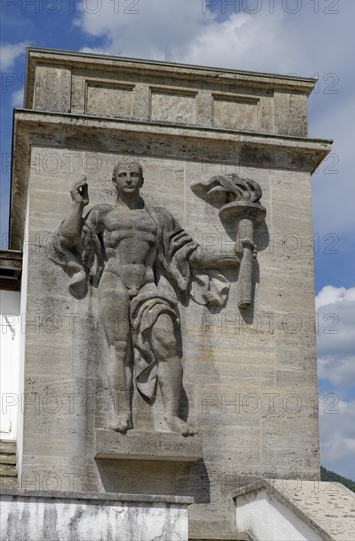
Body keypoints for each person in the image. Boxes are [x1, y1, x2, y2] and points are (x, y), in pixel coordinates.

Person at [49, 159, 239, 436]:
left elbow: (188, 253)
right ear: (114, 181)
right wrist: (78, 205)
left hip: (149, 286)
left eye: (134, 175)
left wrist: (231, 256)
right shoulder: (102, 214)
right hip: (113, 283)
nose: (128, 179)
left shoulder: (158, 217)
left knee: (167, 344)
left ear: (142, 180)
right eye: (123, 175)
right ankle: (123, 413)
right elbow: (69, 240)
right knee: (119, 349)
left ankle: (172, 416)